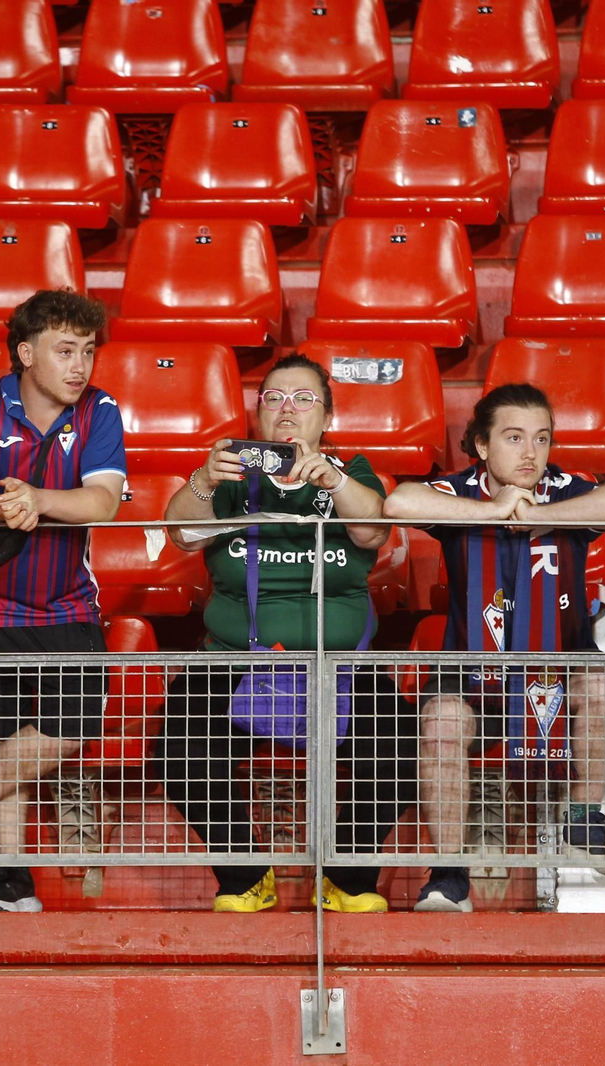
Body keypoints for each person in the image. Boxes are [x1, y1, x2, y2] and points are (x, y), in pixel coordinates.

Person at [156, 353, 417, 913]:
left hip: (339, 663)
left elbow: (373, 529)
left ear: (327, 415)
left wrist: (335, 479)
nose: (287, 410)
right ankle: (246, 876)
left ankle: (346, 875)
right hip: (234, 660)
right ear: (257, 415)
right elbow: (181, 534)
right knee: (181, 746)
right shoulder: (228, 476)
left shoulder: (353, 471)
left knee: (398, 743)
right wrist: (203, 480)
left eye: (303, 399)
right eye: (272, 398)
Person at [384, 383, 605, 912]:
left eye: (541, 439)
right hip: (473, 672)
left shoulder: (565, 488)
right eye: (514, 437)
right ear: (481, 445)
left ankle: (584, 820)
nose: (530, 453)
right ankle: (449, 873)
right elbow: (398, 500)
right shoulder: (461, 490)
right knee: (442, 724)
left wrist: (539, 518)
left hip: (557, 666)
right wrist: (494, 512)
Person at [0, 289, 126, 913]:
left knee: (71, 728)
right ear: (25, 352)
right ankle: (9, 885)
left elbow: (103, 501)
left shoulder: (100, 411)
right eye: (66, 351)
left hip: (66, 605)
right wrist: (3, 507)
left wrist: (36, 499)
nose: (79, 366)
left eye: (87, 352)